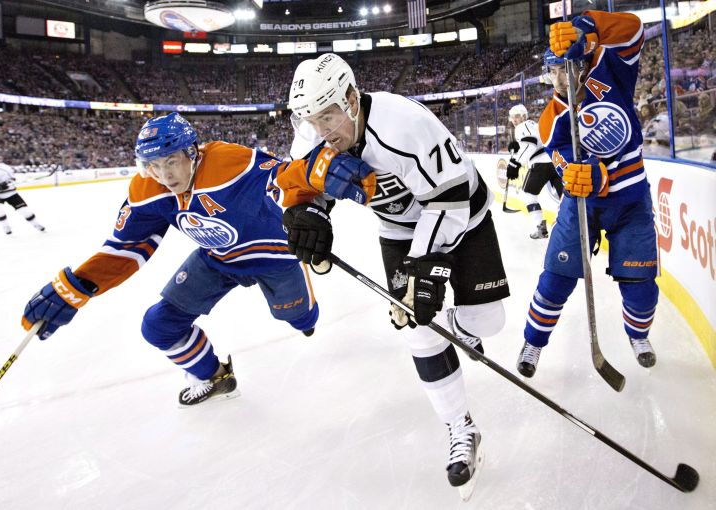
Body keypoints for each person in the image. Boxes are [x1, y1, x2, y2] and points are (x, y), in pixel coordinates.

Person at [276, 53, 510, 499]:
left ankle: (460, 329)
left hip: (463, 215)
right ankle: (461, 429)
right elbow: (304, 184)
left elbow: (451, 198)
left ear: (350, 99)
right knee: (418, 331)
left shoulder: (403, 124)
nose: (321, 130)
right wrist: (308, 213)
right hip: (399, 229)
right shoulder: (311, 131)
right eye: (310, 118)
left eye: (328, 115)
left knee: (487, 323)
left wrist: (425, 268)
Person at [21, 112, 329, 406]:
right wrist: (76, 287)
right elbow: (128, 244)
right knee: (159, 325)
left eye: (171, 161)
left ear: (192, 153)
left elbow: (288, 179)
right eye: (153, 165)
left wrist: (319, 193)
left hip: (274, 255)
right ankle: (215, 378)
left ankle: (304, 319)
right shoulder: (148, 188)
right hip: (216, 259)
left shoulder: (229, 162)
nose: (165, 175)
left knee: (300, 318)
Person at [517, 11, 659, 378]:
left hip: (632, 201)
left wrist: (587, 27)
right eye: (555, 71)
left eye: (568, 67)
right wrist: (581, 175)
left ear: (583, 61)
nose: (562, 78)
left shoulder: (613, 72)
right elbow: (565, 165)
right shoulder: (552, 118)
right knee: (555, 279)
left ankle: (638, 336)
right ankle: (533, 342)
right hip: (583, 207)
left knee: (641, 283)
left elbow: (634, 30)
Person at [506, 104, 564, 239]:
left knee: (528, 195)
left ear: (524, 116)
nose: (514, 120)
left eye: (517, 117)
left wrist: (515, 164)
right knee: (564, 196)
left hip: (540, 165)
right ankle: (568, 227)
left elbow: (530, 144)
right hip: (554, 162)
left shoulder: (522, 127)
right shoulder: (534, 125)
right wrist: (515, 154)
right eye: (512, 117)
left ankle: (540, 228)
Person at [0, 153, 46, 235]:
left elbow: (12, 177)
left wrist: (10, 182)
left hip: (11, 193)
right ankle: (5, 226)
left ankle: (36, 224)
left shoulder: (4, 166)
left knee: (25, 211)